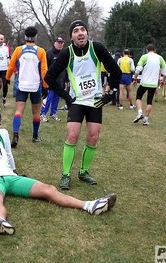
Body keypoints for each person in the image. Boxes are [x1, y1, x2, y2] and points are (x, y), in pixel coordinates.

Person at [0, 109, 117, 234]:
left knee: (49, 189)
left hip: (11, 177)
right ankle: (0, 222)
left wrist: (15, 172)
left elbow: (8, 154)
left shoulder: (3, 134)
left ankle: (89, 205)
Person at [44, 20, 122, 190]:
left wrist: (109, 96)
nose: (80, 33)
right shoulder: (67, 53)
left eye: (83, 30)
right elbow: (49, 77)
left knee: (93, 137)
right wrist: (66, 96)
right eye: (76, 31)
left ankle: (84, 171)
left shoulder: (97, 48)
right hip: (77, 101)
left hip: (95, 101)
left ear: (87, 33)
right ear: (71, 36)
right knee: (72, 136)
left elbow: (116, 71)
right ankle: (66, 174)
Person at [6, 26, 48, 148]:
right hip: (35, 86)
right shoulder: (41, 51)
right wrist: (45, 85)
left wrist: (7, 78)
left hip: (21, 85)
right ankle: (35, 136)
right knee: (36, 112)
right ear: (36, 37)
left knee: (18, 111)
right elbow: (44, 70)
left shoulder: (19, 50)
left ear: (25, 37)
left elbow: (11, 66)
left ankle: (15, 135)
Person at [132, 44, 166, 125]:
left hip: (144, 82)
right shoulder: (160, 58)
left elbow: (138, 69)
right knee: (149, 101)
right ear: (154, 50)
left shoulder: (144, 57)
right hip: (153, 84)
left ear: (147, 50)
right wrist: (163, 81)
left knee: (138, 97)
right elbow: (165, 73)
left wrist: (135, 79)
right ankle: (145, 120)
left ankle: (140, 112)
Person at [40, 37, 66, 122]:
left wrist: (67, 80)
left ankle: (53, 114)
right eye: (58, 43)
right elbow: (44, 68)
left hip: (60, 81)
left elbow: (66, 68)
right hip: (50, 82)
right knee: (48, 98)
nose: (60, 44)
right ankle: (42, 113)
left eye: (61, 43)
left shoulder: (64, 54)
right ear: (54, 43)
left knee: (56, 99)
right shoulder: (49, 53)